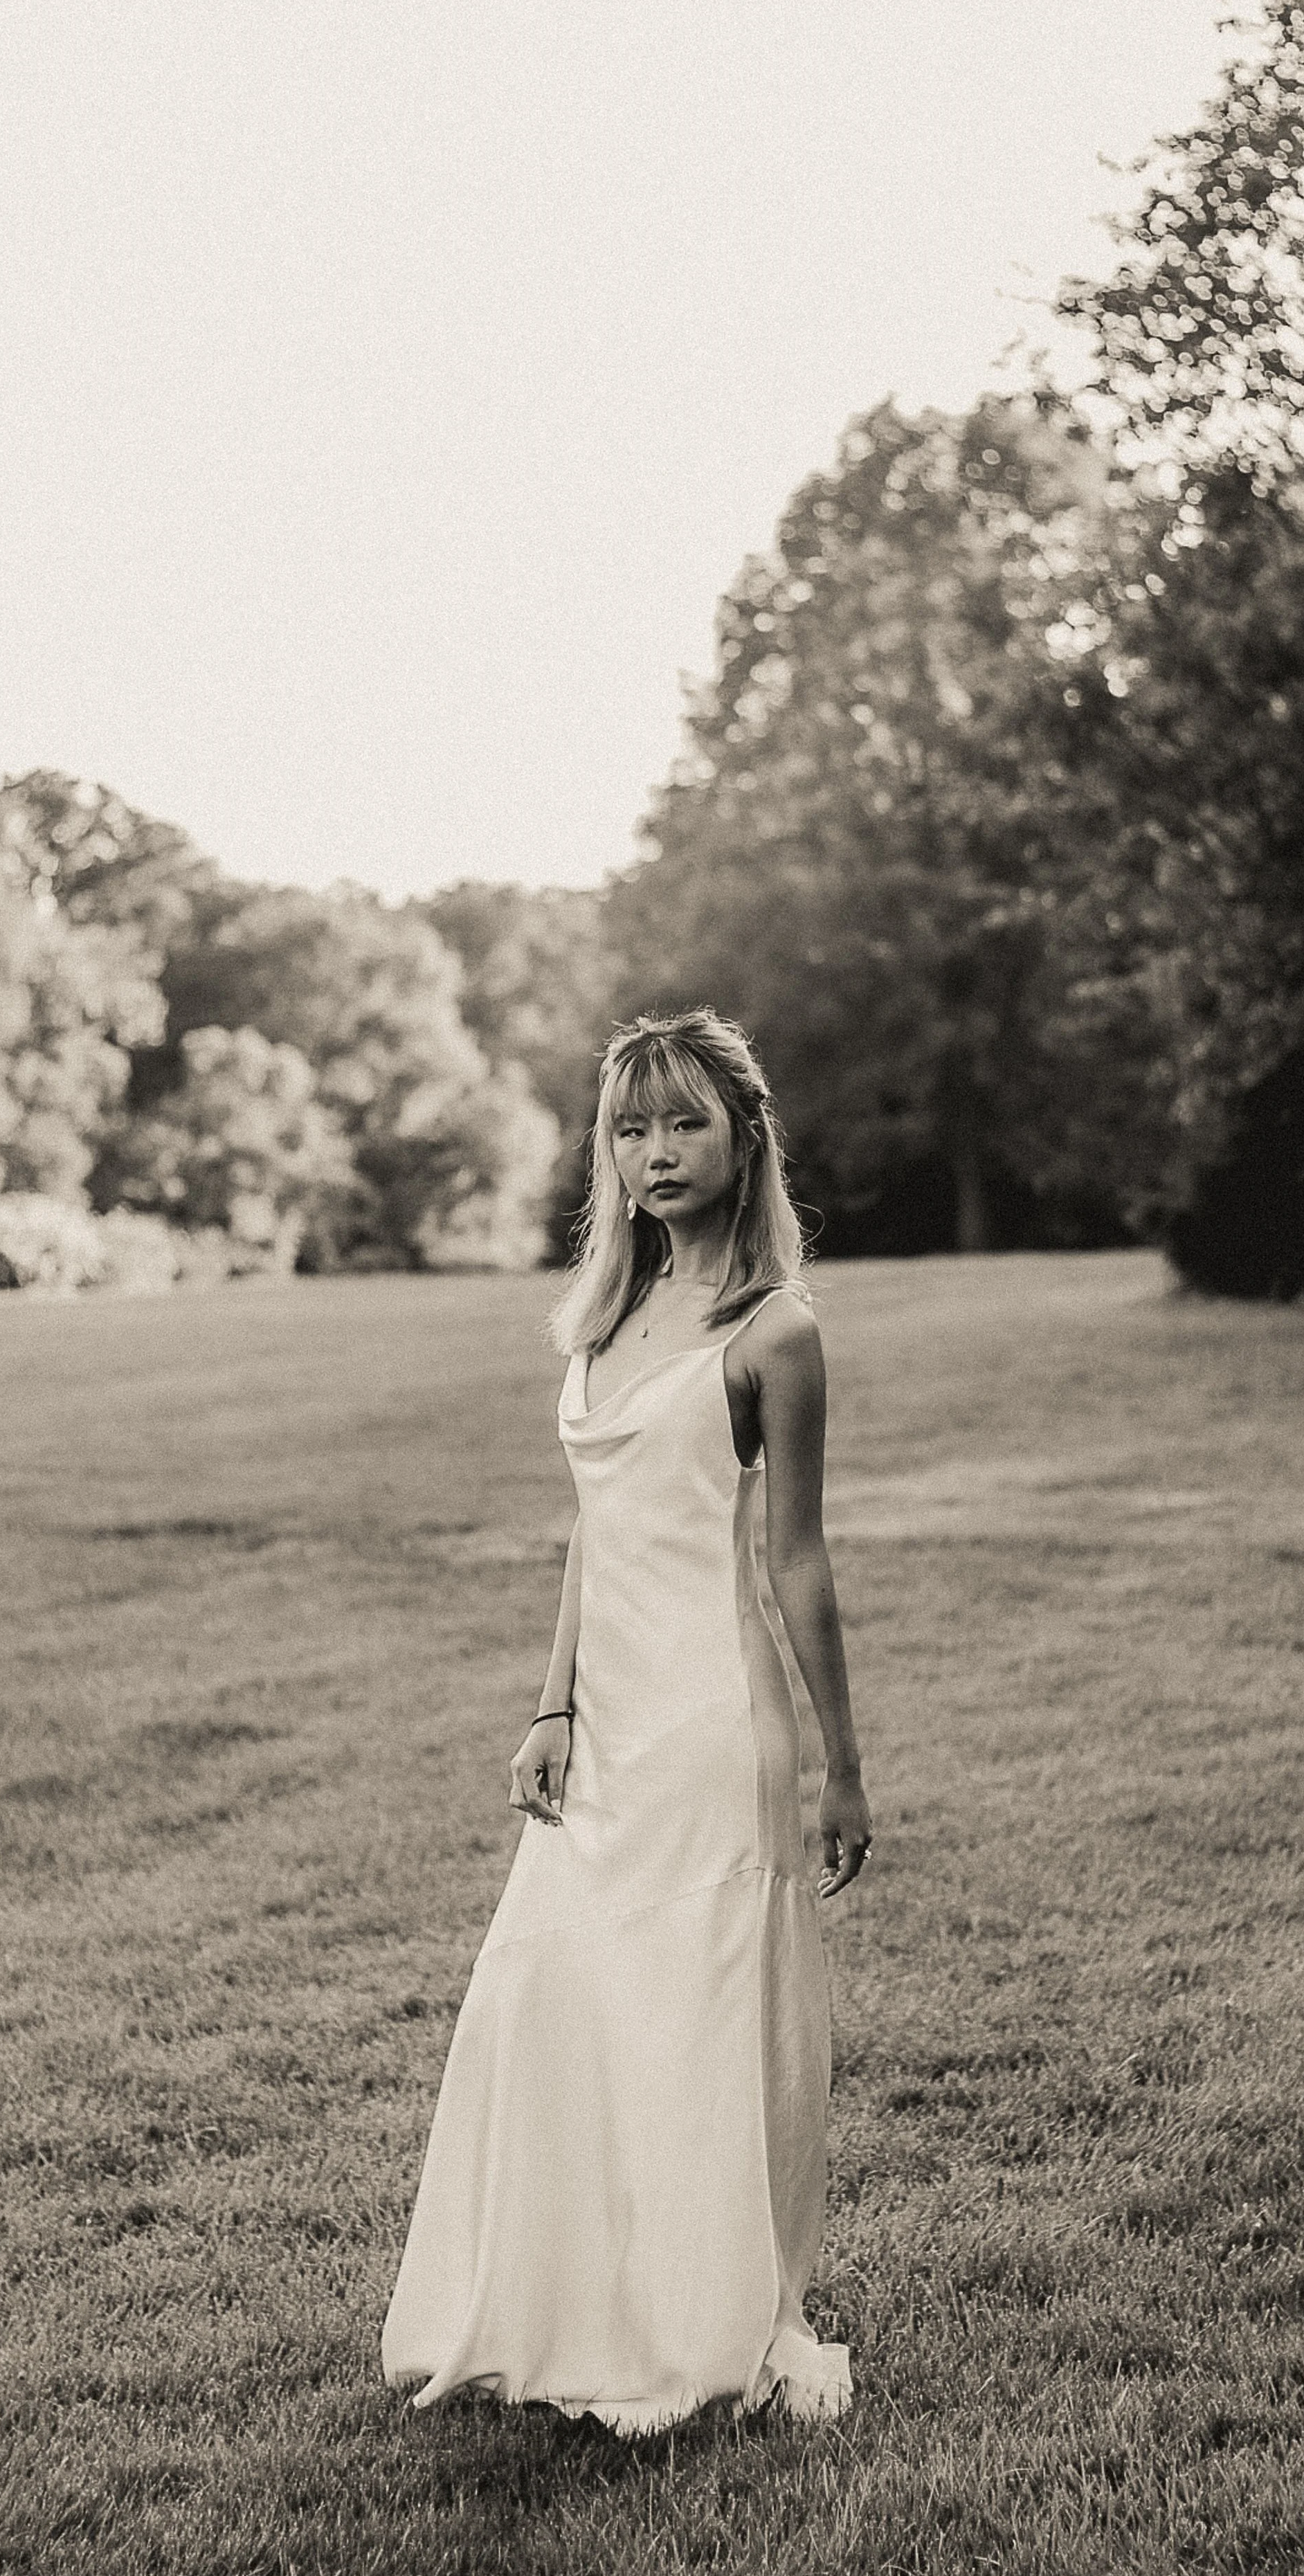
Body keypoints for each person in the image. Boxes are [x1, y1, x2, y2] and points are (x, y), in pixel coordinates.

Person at [381, 1008, 873, 2433]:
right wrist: (552, 1704)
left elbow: (797, 1561)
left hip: (716, 1727)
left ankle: (708, 2324)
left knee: (698, 2025)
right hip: (605, 1732)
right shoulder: (602, 1313)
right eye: (631, 1129)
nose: (656, 1153)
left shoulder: (773, 1330)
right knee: (558, 2002)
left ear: (743, 1137)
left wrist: (840, 1765)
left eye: (685, 1125)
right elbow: (595, 1534)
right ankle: (576, 2307)